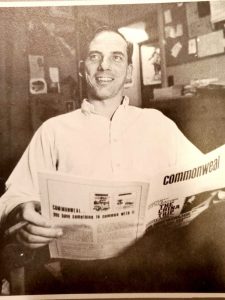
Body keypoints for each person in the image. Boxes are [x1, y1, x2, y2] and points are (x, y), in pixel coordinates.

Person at [0, 26, 212, 293]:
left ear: (129, 71)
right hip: (79, 274)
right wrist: (23, 211)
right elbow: (13, 196)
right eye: (94, 56)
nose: (104, 66)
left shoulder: (159, 124)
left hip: (156, 269)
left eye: (116, 57)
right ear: (82, 68)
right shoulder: (53, 130)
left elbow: (204, 180)